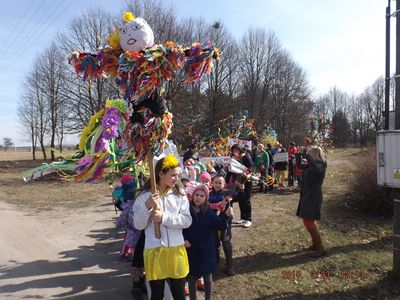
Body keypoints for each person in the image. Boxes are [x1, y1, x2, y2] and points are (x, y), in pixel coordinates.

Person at [133, 154, 192, 300]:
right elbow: (138, 225)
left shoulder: (180, 194)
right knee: (157, 294)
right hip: (154, 251)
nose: (176, 179)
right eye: (173, 175)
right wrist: (147, 206)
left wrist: (164, 218)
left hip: (175, 250)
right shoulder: (144, 197)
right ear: (160, 173)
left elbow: (187, 220)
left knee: (179, 293)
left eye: (178, 175)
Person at [183, 184, 232, 300]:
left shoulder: (209, 212)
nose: (198, 198)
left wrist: (225, 215)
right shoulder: (187, 211)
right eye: (196, 195)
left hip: (206, 251)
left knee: (207, 277)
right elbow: (182, 228)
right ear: (192, 195)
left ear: (206, 198)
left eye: (201, 196)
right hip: (192, 250)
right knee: (192, 277)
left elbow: (219, 224)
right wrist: (184, 239)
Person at [296, 146, 327, 258]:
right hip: (308, 195)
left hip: (313, 196)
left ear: (313, 154)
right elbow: (299, 166)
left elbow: (316, 170)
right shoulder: (311, 164)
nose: (307, 154)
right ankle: (315, 244)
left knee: (308, 221)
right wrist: (298, 154)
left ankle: (320, 247)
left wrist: (307, 156)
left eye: (309, 153)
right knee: (308, 221)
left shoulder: (320, 164)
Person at [208, 175, 237, 275]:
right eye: (215, 182)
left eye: (220, 183)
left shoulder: (227, 193)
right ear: (212, 183)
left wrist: (241, 189)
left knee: (226, 243)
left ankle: (230, 266)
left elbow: (238, 195)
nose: (217, 184)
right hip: (213, 224)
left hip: (225, 223)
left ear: (224, 184)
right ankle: (214, 264)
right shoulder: (208, 194)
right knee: (214, 244)